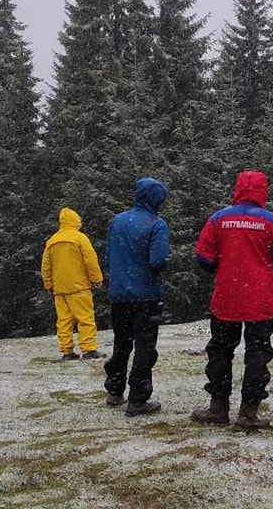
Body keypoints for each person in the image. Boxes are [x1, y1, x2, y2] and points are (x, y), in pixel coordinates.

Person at [190, 170, 273, 430]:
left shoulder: (219, 219)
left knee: (220, 352)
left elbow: (204, 257)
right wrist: (265, 270)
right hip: (260, 300)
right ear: (263, 191)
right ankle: (248, 412)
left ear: (237, 189)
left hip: (227, 297)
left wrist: (225, 267)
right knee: (257, 355)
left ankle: (218, 407)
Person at [104, 178, 171, 416]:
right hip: (146, 295)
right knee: (144, 347)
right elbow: (158, 261)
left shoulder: (118, 221)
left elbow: (108, 256)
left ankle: (114, 389)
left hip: (120, 293)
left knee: (121, 343)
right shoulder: (157, 224)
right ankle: (138, 398)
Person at [40, 207, 106, 361]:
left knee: (63, 321)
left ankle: (67, 351)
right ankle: (89, 349)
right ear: (76, 221)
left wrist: (48, 284)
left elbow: (46, 265)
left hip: (60, 289)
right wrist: (97, 278)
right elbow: (90, 260)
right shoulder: (80, 238)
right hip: (79, 287)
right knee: (85, 319)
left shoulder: (52, 240)